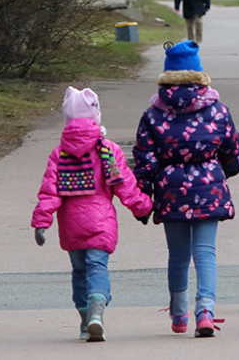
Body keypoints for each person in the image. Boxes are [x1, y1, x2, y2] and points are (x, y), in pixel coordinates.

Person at [133, 41, 239, 337]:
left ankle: (179, 313)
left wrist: (143, 192)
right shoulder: (217, 109)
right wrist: (225, 171)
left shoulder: (153, 114)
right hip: (209, 188)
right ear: (199, 72)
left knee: (178, 255)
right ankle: (205, 311)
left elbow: (144, 157)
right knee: (206, 253)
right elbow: (232, 151)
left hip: (171, 191)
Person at [31, 87, 154, 342]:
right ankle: (98, 310)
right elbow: (124, 185)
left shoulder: (59, 154)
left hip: (70, 224)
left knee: (78, 272)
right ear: (96, 115)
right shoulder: (107, 150)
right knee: (98, 267)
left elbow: (49, 191)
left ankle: (85, 321)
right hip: (101, 221)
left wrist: (42, 222)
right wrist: (143, 208)